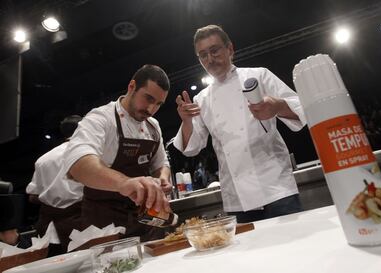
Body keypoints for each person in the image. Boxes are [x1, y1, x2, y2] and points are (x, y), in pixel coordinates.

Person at [173, 25, 306, 223]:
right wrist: (186, 122)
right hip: (237, 198)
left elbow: (301, 109)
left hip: (277, 188)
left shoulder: (259, 76)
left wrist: (277, 106)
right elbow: (191, 147)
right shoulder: (201, 98)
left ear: (230, 49)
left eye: (214, 50)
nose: (209, 59)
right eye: (203, 55)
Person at [64, 64, 172, 241]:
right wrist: (124, 183)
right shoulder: (100, 118)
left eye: (158, 104)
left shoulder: (153, 127)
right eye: (148, 99)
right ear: (132, 87)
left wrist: (162, 178)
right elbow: (79, 164)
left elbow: (161, 164)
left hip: (145, 221)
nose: (151, 109)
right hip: (104, 224)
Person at [26, 115, 83, 252]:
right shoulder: (90, 156)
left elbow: (33, 196)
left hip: (49, 228)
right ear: (83, 130)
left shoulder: (42, 160)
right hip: (82, 224)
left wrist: (52, 195)